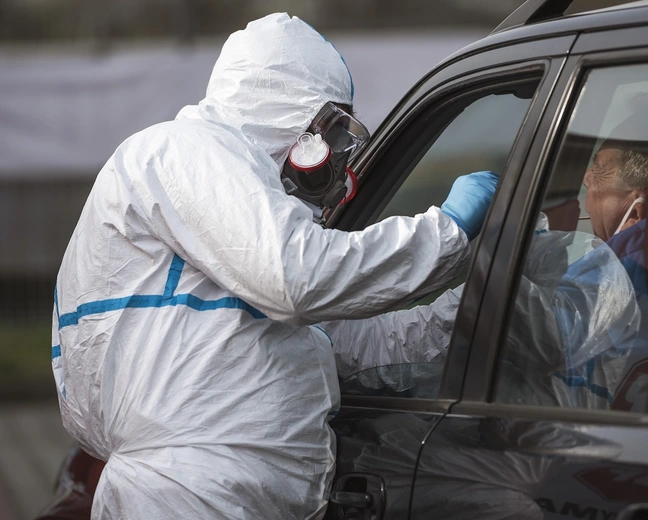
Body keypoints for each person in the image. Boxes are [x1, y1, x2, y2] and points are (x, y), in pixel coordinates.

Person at [51, 13, 499, 520]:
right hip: (189, 496)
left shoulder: (245, 225)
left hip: (228, 493)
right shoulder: (185, 151)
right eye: (332, 129)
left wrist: (492, 303)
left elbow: (357, 339)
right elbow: (299, 278)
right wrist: (446, 230)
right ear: (289, 106)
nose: (335, 156)